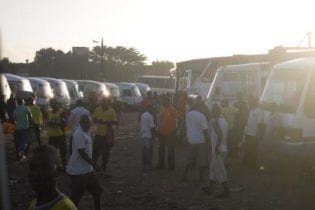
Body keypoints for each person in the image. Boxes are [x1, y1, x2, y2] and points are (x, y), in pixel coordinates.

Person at [66, 115, 102, 210]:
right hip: (79, 171)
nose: (87, 124)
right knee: (76, 198)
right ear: (80, 123)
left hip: (87, 169)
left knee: (97, 191)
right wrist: (94, 164)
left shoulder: (86, 132)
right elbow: (82, 153)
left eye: (89, 122)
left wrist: (92, 166)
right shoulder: (79, 134)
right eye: (85, 122)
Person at [28, 145, 77, 210]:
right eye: (33, 167)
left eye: (44, 167)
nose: (36, 173)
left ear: (58, 172)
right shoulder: (34, 204)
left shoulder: (65, 207)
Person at [203, 104, 230, 198]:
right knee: (213, 168)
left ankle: (226, 190)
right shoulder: (224, 121)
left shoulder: (214, 121)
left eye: (211, 111)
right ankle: (210, 187)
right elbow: (226, 135)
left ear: (214, 112)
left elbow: (219, 134)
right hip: (223, 148)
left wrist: (216, 147)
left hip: (218, 149)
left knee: (220, 170)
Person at [183, 101, 210, 181]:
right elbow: (205, 130)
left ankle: (185, 176)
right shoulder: (202, 116)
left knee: (189, 159)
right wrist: (208, 140)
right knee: (201, 160)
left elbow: (187, 126)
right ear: (200, 107)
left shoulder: (189, 114)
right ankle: (200, 177)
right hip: (200, 140)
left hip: (191, 139)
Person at [92, 97, 117, 175]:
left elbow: (115, 122)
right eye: (103, 102)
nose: (104, 103)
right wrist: (99, 121)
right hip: (98, 134)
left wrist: (106, 122)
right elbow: (93, 119)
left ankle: (104, 167)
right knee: (95, 152)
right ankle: (93, 167)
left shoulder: (112, 111)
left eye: (106, 102)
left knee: (105, 153)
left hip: (107, 135)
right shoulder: (97, 110)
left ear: (108, 103)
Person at [157, 96, 178, 170]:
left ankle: (171, 167)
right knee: (161, 149)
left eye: (166, 101)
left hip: (171, 133)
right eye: (163, 101)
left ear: (169, 102)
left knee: (170, 150)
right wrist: (158, 129)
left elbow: (178, 120)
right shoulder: (161, 108)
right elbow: (159, 118)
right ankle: (161, 165)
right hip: (161, 132)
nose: (164, 102)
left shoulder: (173, 109)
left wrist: (175, 130)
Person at [47, 99, 68, 171]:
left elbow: (65, 124)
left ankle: (64, 166)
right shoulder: (50, 112)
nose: (52, 105)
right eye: (51, 104)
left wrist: (55, 123)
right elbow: (48, 122)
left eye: (53, 104)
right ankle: (57, 166)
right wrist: (48, 123)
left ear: (57, 103)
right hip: (52, 135)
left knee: (63, 151)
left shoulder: (61, 112)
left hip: (60, 135)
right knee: (52, 152)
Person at [140, 104, 156, 174]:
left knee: (144, 150)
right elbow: (152, 127)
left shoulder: (143, 115)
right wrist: (154, 135)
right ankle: (148, 166)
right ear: (150, 109)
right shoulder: (150, 116)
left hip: (143, 134)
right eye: (152, 109)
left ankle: (144, 165)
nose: (153, 110)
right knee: (148, 151)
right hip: (148, 135)